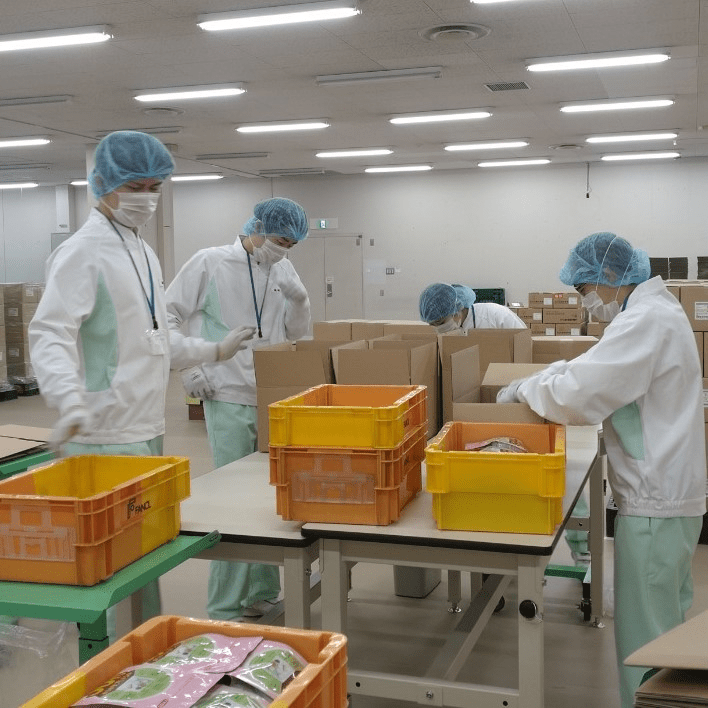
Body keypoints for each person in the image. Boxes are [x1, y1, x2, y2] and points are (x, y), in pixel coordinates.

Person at [27, 130, 244, 641]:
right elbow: (50, 332)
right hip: (101, 431)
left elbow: (155, 339)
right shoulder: (82, 253)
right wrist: (67, 400)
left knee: (142, 557)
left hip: (145, 426)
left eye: (154, 187)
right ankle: (108, 660)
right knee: (109, 568)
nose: (146, 198)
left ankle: (142, 654)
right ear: (103, 184)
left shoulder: (143, 251)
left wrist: (213, 350)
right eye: (135, 187)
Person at [496, 232, 706, 707]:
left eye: (584, 289)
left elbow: (581, 393)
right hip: (669, 500)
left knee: (646, 644)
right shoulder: (651, 313)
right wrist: (544, 376)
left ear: (610, 275)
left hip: (655, 505)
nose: (585, 301)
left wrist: (526, 391)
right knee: (664, 628)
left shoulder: (646, 321)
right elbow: (593, 365)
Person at [166, 196, 311, 622]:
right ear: (257, 228)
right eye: (280, 240)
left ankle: (262, 592)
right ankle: (225, 606)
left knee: (268, 499)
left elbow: (298, 335)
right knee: (232, 504)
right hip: (226, 390)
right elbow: (166, 315)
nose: (283, 250)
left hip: (271, 397)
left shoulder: (284, 269)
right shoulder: (210, 262)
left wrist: (301, 303)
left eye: (291, 244)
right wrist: (190, 367)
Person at [419, 282, 526, 332]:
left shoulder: (498, 315)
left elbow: (523, 343)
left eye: (440, 323)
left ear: (456, 313)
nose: (438, 329)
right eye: (433, 325)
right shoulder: (454, 329)